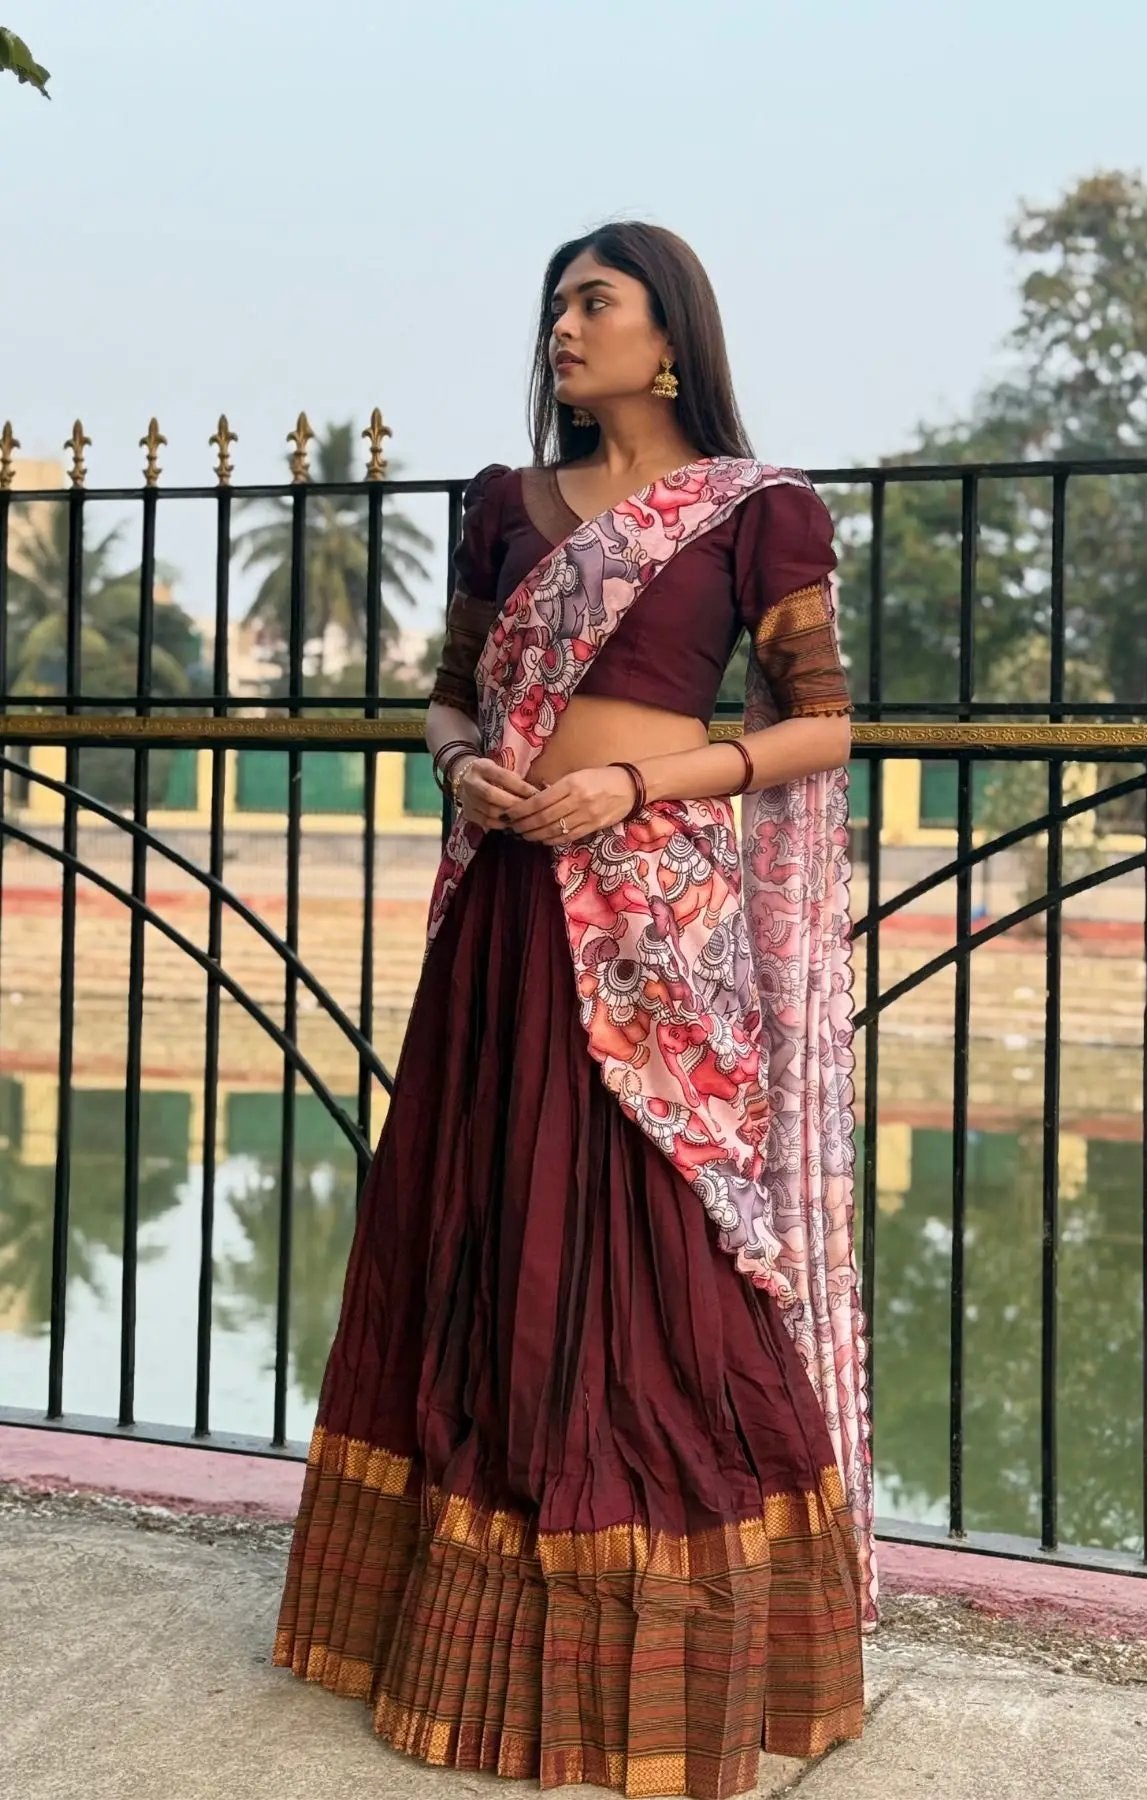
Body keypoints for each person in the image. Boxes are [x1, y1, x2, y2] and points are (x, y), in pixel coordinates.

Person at [274, 220, 873, 1799]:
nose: (563, 325)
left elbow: (822, 729)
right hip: (507, 926)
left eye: (593, 302)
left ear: (668, 335)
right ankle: (463, 1635)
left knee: (657, 1253)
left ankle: (681, 1655)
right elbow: (452, 688)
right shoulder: (504, 507)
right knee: (489, 1233)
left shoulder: (759, 515)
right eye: (552, 303)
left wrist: (632, 782)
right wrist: (459, 757)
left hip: (654, 919)